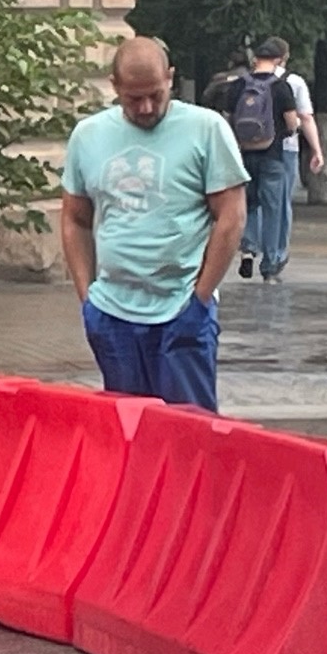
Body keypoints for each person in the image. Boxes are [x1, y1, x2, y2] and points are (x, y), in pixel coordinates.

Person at [62, 36, 248, 411]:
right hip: (113, 315)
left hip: (181, 309)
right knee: (131, 436)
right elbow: (75, 219)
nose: (146, 107)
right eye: (133, 98)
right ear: (114, 87)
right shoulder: (88, 136)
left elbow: (231, 216)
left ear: (170, 79)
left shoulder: (205, 129)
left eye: (156, 95)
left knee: (190, 438)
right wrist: (88, 300)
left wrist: (200, 298)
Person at [202, 39, 306, 282]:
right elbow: (291, 123)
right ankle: (271, 265)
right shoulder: (281, 87)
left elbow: (227, 118)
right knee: (273, 210)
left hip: (244, 155)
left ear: (255, 59)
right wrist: (293, 129)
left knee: (248, 205)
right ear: (279, 60)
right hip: (273, 156)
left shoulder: (238, 85)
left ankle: (248, 250)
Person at [265, 39, 325, 280]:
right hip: (284, 149)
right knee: (279, 205)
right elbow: (306, 119)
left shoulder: (245, 80)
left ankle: (250, 245)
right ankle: (275, 255)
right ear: (284, 57)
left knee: (254, 202)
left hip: (249, 149)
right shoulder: (293, 81)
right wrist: (316, 150)